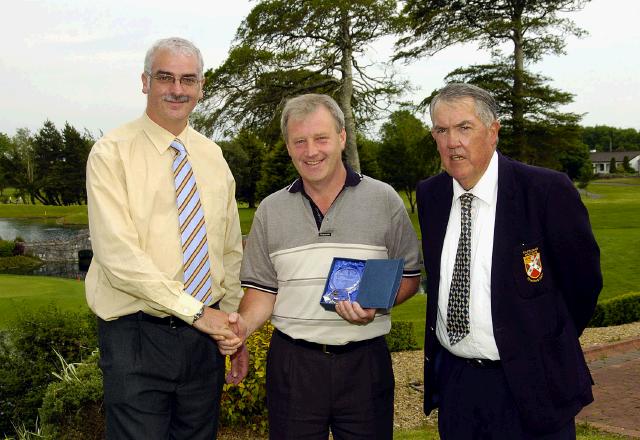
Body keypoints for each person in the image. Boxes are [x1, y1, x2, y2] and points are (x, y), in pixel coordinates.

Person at [221, 93, 422, 439]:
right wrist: (239, 332)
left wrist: (375, 304)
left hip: (365, 363)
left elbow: (409, 277)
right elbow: (262, 292)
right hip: (294, 366)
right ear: (288, 147)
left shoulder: (384, 199)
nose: (311, 151)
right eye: (300, 141)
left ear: (342, 138)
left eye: (321, 138)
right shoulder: (270, 210)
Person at [416, 82, 602, 439]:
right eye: (442, 130)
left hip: (533, 385)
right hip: (458, 387)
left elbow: (583, 286)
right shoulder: (432, 196)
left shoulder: (545, 191)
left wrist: (540, 341)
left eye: (464, 127)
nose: (452, 141)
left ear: (493, 131)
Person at [85, 37, 246, 440]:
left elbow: (227, 251)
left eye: (188, 79)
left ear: (201, 88)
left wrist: (231, 326)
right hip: (136, 335)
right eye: (165, 77)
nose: (177, 89)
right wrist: (197, 313)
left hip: (203, 341)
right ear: (145, 82)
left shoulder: (212, 156)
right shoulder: (110, 154)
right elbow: (118, 257)